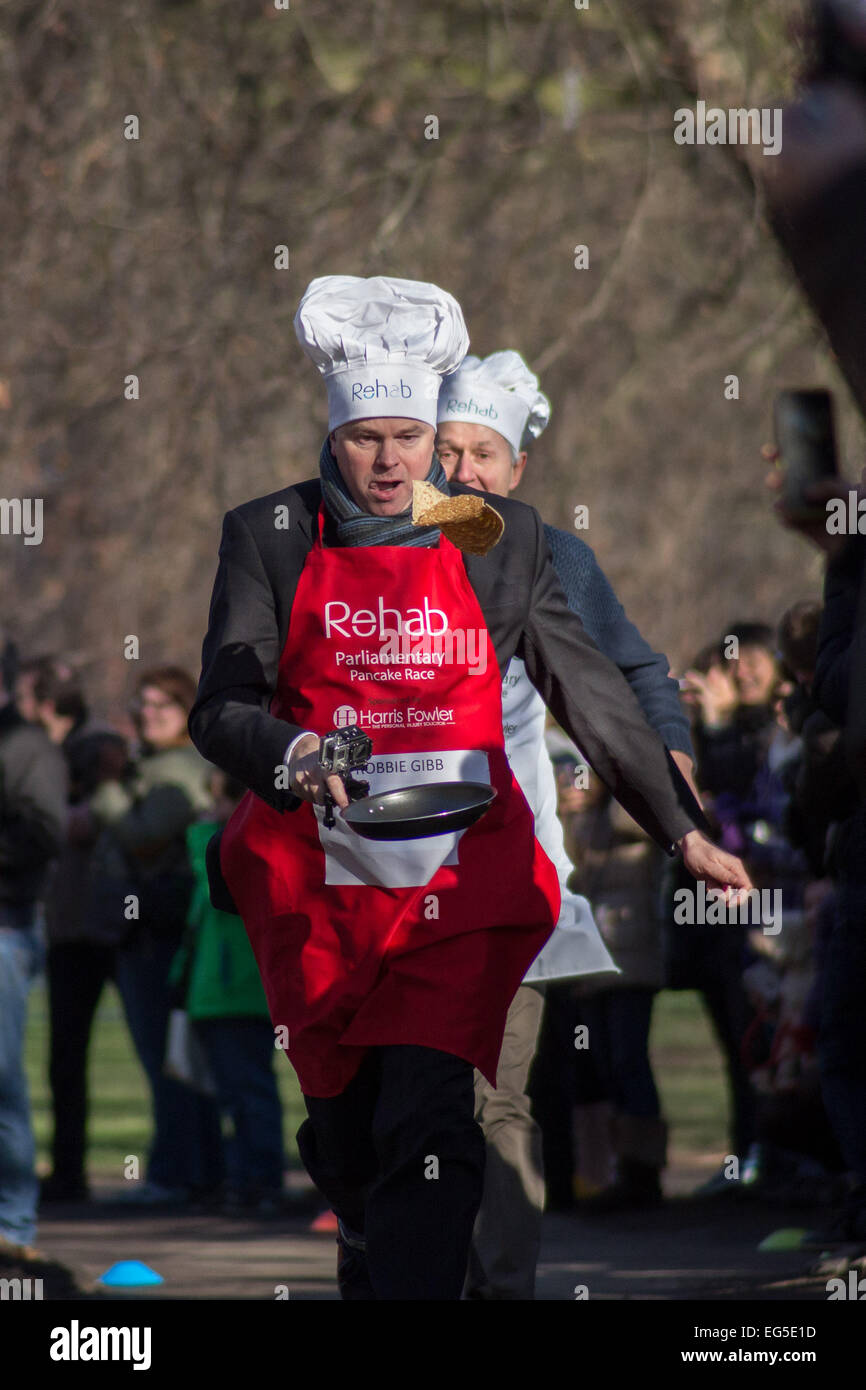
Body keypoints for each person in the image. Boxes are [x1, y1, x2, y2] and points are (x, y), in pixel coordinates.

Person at [189, 273, 750, 1301]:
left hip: (462, 882)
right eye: (370, 439)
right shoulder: (268, 533)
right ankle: (363, 1226)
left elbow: (592, 687)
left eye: (412, 435)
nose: (394, 460)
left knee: (438, 1121)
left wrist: (680, 827)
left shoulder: (503, 538)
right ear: (335, 434)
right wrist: (297, 752)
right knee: (352, 1136)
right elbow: (217, 709)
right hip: (322, 889)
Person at [434, 350, 696, 1293]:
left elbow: (634, 668)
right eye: (448, 450)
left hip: (510, 875)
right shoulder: (383, 542)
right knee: (396, 1112)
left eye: (484, 455)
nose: (462, 474)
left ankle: (495, 1290)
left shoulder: (551, 554)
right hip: (380, 880)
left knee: (495, 1104)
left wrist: (669, 755)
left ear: (518, 471)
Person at [87, 666, 221, 1204]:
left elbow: (144, 838)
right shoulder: (153, 765)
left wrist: (105, 790)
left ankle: (178, 1175)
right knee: (171, 1057)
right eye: (143, 705)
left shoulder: (183, 768)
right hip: (143, 932)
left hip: (160, 934)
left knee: (170, 1058)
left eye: (161, 706)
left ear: (186, 712)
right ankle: (196, 1171)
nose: (148, 715)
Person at [26, 658, 130, 1203]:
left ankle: (195, 1174)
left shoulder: (96, 746)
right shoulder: (58, 751)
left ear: (45, 704)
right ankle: (69, 1173)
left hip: (109, 923)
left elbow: (105, 819)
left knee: (154, 1049)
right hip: (72, 925)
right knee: (65, 1059)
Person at [169, 769, 285, 1215]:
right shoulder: (226, 838)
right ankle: (245, 1179)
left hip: (238, 992)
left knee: (249, 1091)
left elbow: (211, 878)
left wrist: (206, 825)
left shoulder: (229, 843)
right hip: (220, 993)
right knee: (235, 1094)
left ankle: (261, 1181)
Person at [0, 637, 67, 1254]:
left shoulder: (27, 747)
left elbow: (47, 833)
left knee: (2, 1081)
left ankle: (12, 1227)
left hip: (7, 928)